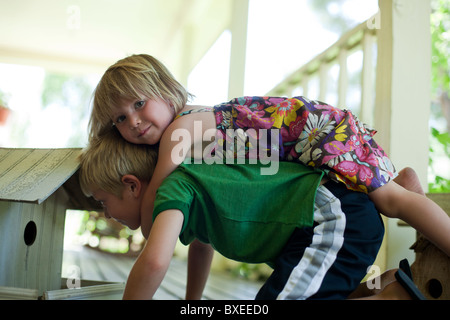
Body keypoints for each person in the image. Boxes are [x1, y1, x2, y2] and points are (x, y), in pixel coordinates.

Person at [89, 54, 450, 258]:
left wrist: (150, 237)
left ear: (166, 91)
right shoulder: (190, 129)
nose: (134, 122)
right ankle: (403, 181)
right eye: (120, 118)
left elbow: (157, 192)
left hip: (314, 132)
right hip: (308, 140)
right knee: (386, 196)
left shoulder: (179, 132)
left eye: (139, 104)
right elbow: (204, 235)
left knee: (391, 201)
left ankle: (421, 211)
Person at [78, 133, 423, 300]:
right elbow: (202, 244)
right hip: (322, 230)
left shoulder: (172, 188)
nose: (106, 214)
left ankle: (394, 299)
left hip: (331, 221)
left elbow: (154, 262)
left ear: (132, 185)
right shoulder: (191, 182)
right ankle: (388, 286)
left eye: (103, 202)